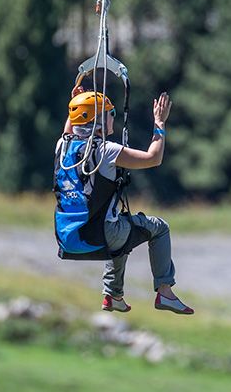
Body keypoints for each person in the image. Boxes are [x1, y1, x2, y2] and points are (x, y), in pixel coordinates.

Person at [55, 85, 194, 316]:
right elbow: (153, 158)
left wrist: (78, 103)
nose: (113, 118)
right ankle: (165, 292)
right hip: (100, 234)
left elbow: (71, 129)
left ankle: (113, 296)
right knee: (158, 228)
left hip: (68, 237)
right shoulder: (105, 151)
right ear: (99, 119)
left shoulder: (62, 147)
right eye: (110, 113)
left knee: (121, 227)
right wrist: (160, 122)